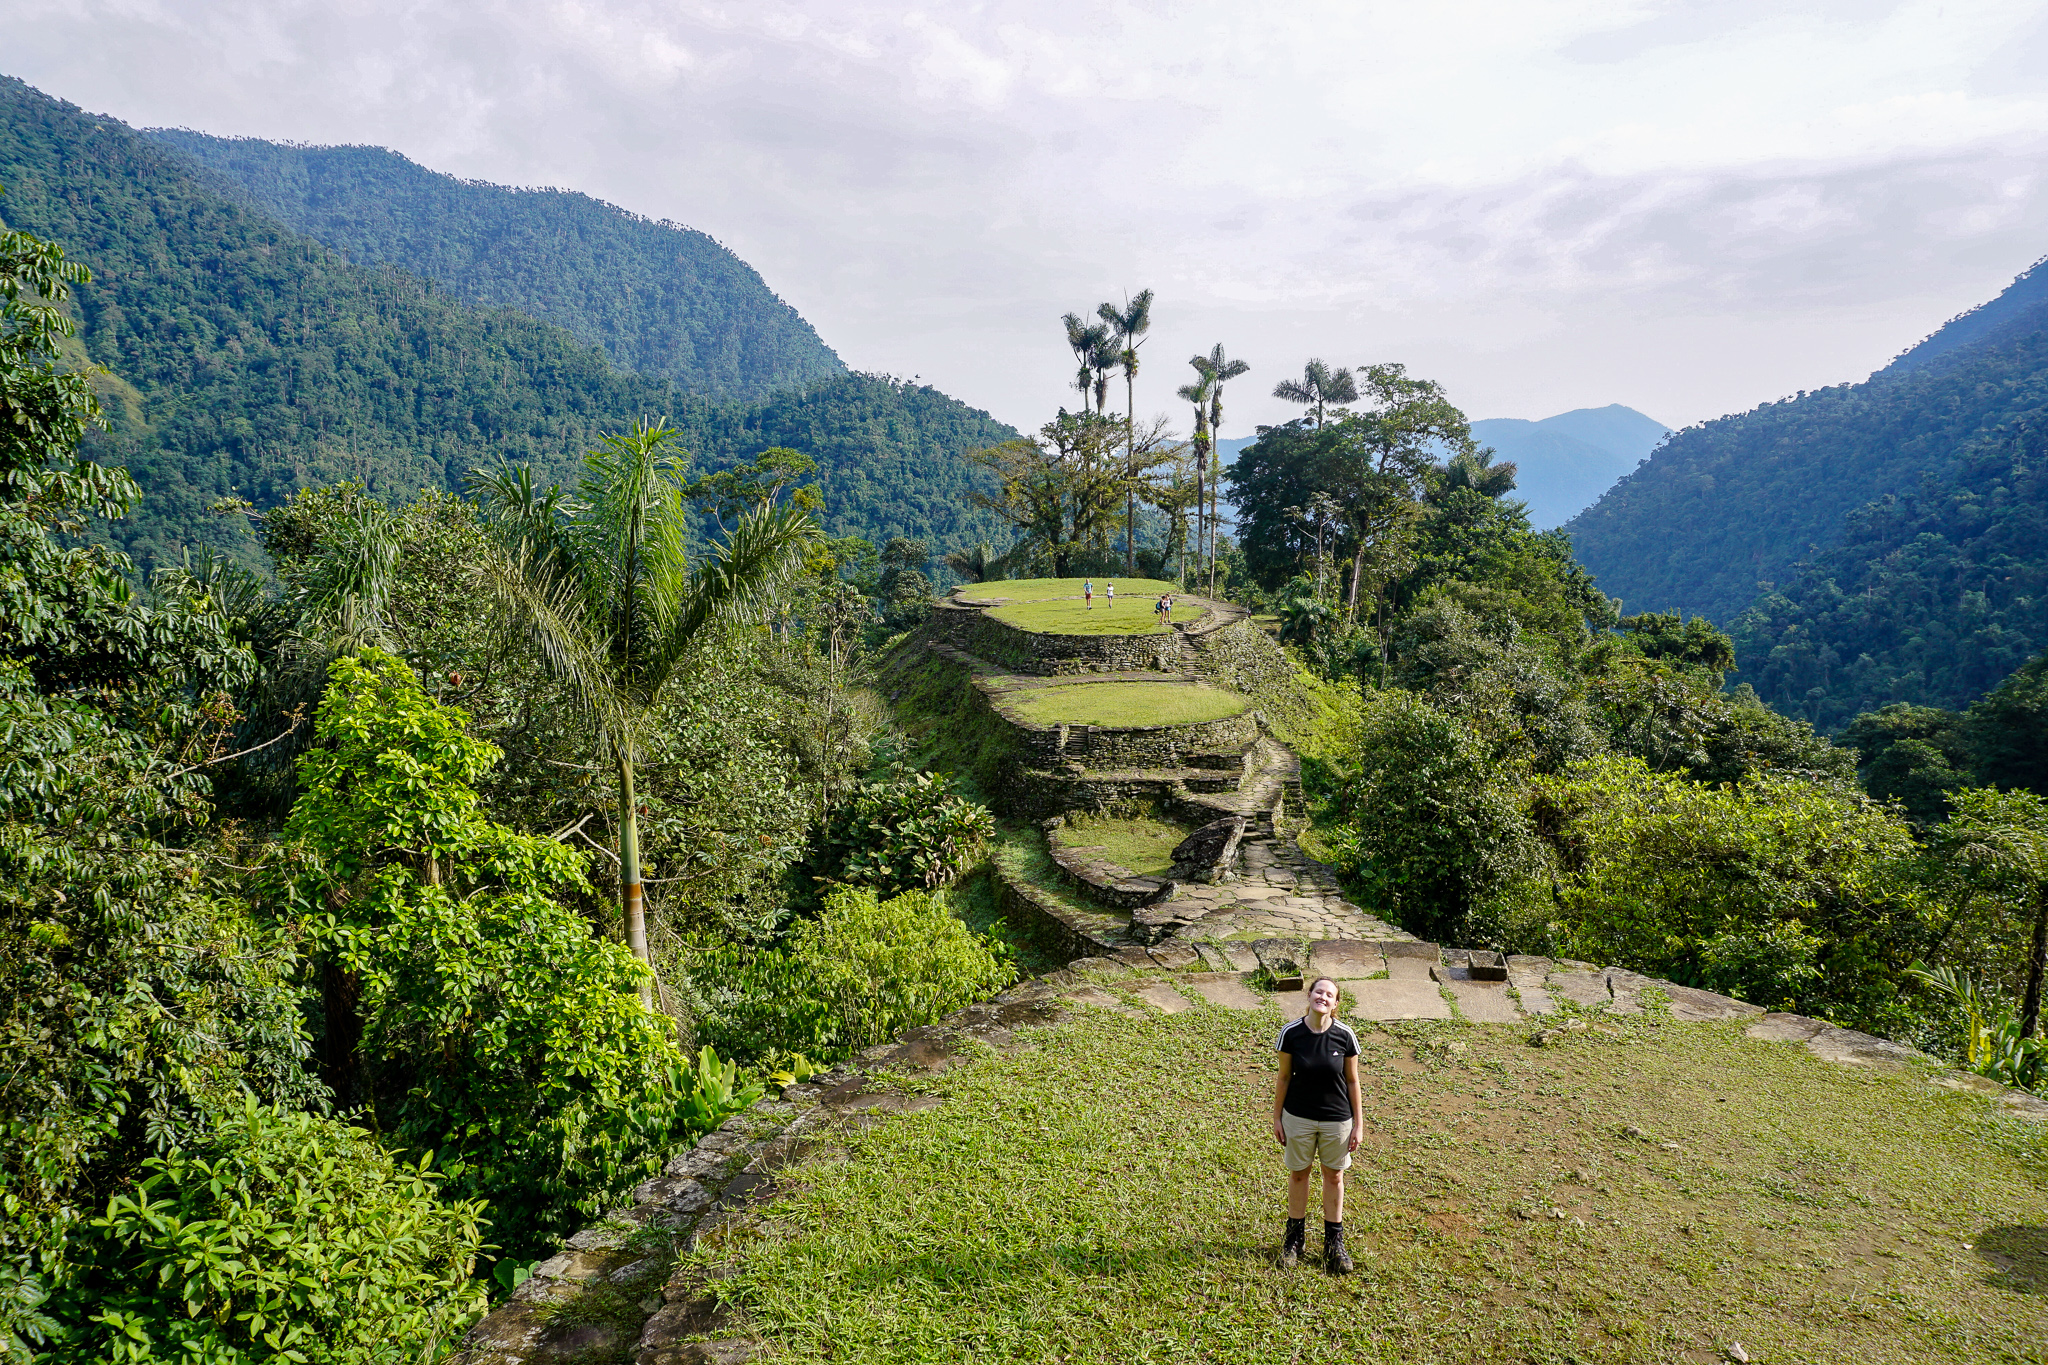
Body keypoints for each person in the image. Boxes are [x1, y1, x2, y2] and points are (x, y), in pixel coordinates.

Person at [1271, 977, 1361, 1273]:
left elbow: (1352, 1081)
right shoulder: (1291, 1033)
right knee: (1299, 1175)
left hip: (1337, 1119)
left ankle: (1334, 1243)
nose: (1323, 997)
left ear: (1335, 1004)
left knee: (1334, 1177)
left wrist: (1358, 1125)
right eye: (1318, 991)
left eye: (1329, 994)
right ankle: (1293, 1240)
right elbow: (1283, 1077)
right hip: (1298, 1117)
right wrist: (1277, 1117)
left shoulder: (1345, 1036)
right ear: (1309, 995)